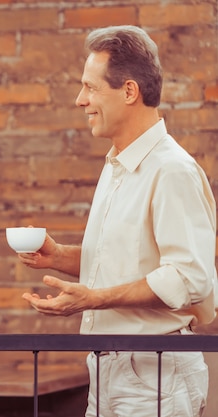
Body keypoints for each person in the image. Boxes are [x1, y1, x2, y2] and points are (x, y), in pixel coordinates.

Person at [20, 25, 217, 417]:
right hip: (109, 371)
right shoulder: (117, 164)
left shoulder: (171, 170)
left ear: (129, 91)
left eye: (90, 88)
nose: (80, 100)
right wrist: (60, 256)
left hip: (156, 375)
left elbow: (189, 277)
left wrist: (94, 299)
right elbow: (129, 258)